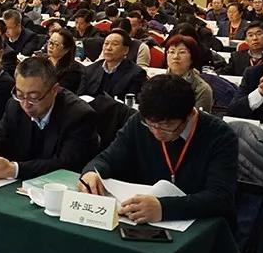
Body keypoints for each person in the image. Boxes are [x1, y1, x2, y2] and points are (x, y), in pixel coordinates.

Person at [79, 75, 238, 222]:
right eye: (151, 124)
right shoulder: (138, 123)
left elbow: (220, 197)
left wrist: (163, 208)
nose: (157, 133)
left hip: (200, 223)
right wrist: (92, 172)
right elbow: (108, 158)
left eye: (167, 126)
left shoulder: (219, 135)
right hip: (142, 219)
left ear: (190, 114)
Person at [0, 57, 99, 180]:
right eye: (20, 94)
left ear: (54, 90)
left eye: (34, 97)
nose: (26, 104)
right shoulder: (15, 105)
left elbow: (66, 164)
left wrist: (14, 169)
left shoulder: (79, 115)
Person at [164, 35, 213, 112]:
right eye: (172, 52)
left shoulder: (202, 89)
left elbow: (197, 117)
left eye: (182, 52)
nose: (175, 57)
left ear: (192, 57)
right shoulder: (156, 83)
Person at [45, 28, 84, 92]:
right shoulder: (41, 60)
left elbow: (61, 92)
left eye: (56, 44)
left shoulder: (72, 70)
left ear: (66, 50)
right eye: (50, 42)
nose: (51, 46)